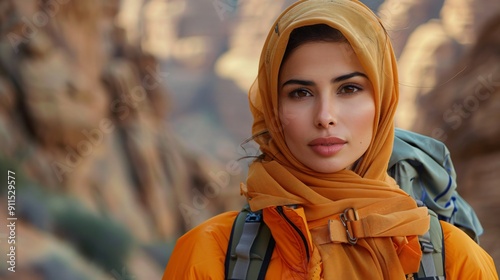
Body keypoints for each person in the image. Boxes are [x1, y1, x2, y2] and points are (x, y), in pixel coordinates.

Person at [162, 0, 498, 279]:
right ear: (272, 108)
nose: (325, 116)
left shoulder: (455, 262)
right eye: (301, 92)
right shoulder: (210, 255)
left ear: (382, 102)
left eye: (349, 89)